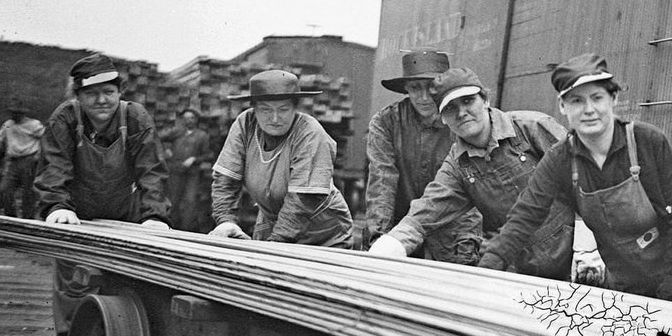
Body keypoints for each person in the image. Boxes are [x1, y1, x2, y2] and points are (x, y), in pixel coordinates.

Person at [479, 53, 672, 306]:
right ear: (562, 106)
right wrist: (485, 271)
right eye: (577, 101)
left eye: (597, 98)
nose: (589, 110)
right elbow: (524, 217)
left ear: (613, 99)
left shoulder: (647, 141)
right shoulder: (560, 158)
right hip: (629, 263)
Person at [368, 67, 573, 279]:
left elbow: (587, 179)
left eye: (468, 101)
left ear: (485, 100)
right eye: (450, 108)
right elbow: (423, 215)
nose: (461, 113)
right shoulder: (458, 168)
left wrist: (589, 247)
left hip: (581, 256)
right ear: (443, 119)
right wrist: (385, 248)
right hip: (527, 269)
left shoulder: (531, 128)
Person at [34, 53, 171, 336]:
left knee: (124, 285)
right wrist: (57, 206)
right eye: (92, 94)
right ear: (78, 96)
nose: (101, 100)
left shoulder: (135, 117)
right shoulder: (65, 119)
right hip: (76, 215)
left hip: (123, 214)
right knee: (73, 286)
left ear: (120, 93)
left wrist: (155, 215)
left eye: (108, 92)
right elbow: (53, 166)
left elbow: (152, 170)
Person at [209, 68, 353, 246]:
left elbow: (302, 200)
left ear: (295, 107)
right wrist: (226, 221)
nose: (275, 118)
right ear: (254, 108)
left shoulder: (310, 133)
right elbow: (225, 180)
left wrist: (274, 243)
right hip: (273, 224)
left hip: (322, 233)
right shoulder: (245, 124)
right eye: (265, 110)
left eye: (283, 109)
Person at [365, 50, 482, 261]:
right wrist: (379, 238)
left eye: (431, 87)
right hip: (399, 232)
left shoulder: (461, 123)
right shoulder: (386, 122)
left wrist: (466, 245)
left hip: (451, 234)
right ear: (406, 89)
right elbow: (382, 182)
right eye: (415, 88)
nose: (424, 97)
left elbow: (469, 190)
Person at [0, 100, 45, 218]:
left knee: (28, 192)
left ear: (23, 114)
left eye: (18, 113)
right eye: (13, 112)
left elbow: (46, 139)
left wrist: (39, 154)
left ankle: (28, 220)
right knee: (4, 190)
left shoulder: (34, 125)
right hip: (13, 161)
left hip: (29, 160)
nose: (15, 115)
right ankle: (12, 216)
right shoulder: (9, 124)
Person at [163, 108, 212, 232]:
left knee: (190, 201)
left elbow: (207, 155)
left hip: (192, 174)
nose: (188, 120)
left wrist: (194, 159)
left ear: (196, 119)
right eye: (185, 118)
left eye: (191, 118)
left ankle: (186, 230)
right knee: (173, 200)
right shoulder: (177, 132)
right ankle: (171, 228)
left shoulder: (202, 135)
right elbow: (158, 138)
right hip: (175, 171)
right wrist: (166, 149)